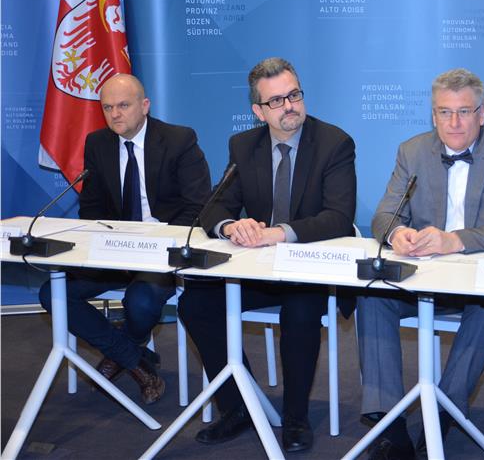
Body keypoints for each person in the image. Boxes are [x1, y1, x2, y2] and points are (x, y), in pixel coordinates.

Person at [179, 57, 356, 453]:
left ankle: (295, 417)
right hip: (258, 269)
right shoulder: (244, 146)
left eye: (294, 95)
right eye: (276, 101)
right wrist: (232, 226)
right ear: (258, 112)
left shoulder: (334, 143)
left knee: (300, 311)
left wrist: (277, 234)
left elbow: (338, 218)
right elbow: (214, 207)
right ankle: (238, 407)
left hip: (308, 269)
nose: (289, 106)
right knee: (196, 303)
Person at [357, 68, 484, 459]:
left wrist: (455, 241)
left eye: (464, 112)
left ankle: (444, 410)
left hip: (478, 279)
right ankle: (389, 425)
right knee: (372, 296)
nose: (453, 123)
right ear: (433, 115)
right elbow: (384, 215)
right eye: (444, 112)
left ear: (482, 114)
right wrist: (396, 233)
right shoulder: (412, 151)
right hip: (423, 277)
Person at [39, 73, 212, 405]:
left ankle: (124, 354)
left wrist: (155, 245)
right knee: (54, 293)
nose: (115, 114)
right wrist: (109, 245)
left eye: (123, 105)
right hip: (115, 252)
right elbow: (91, 210)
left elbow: (198, 207)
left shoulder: (179, 140)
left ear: (144, 106)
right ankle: (136, 361)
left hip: (162, 254)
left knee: (141, 302)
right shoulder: (98, 143)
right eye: (107, 108)